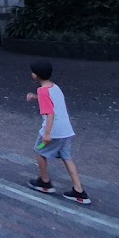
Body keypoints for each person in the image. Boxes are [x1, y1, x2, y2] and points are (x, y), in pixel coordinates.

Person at [25, 60, 91, 204]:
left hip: (52, 133)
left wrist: (47, 134)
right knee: (67, 157)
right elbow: (52, 102)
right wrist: (36, 98)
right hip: (66, 132)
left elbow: (50, 113)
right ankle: (79, 191)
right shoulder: (54, 87)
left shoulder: (42, 91)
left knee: (39, 151)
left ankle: (45, 182)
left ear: (35, 76)